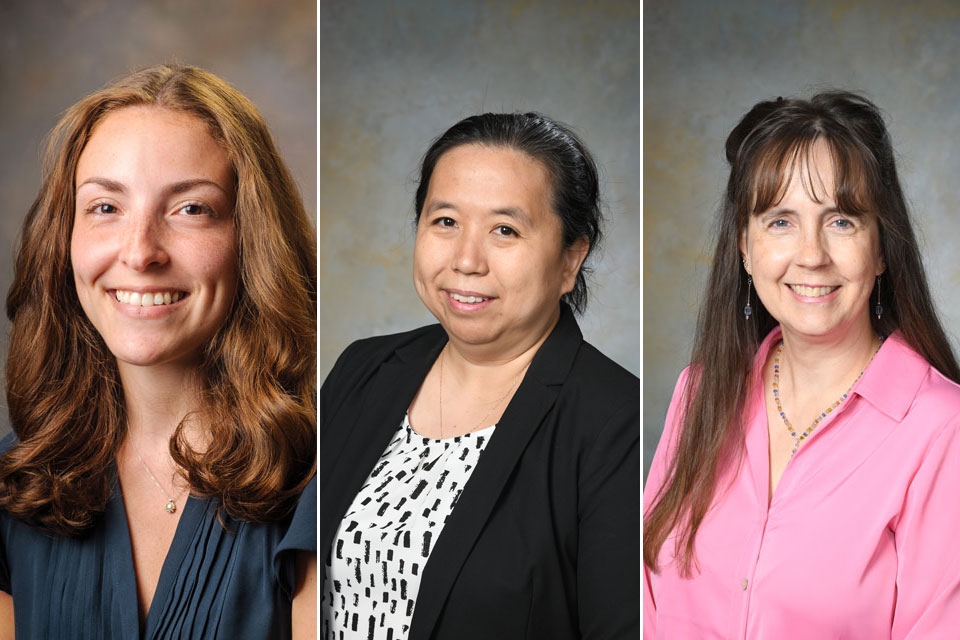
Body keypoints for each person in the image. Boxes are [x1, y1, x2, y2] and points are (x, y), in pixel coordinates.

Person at [0, 64, 317, 639]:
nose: (141, 252)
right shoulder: (15, 480)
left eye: (191, 208)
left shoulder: (327, 469)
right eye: (105, 207)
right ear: (63, 238)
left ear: (253, 240)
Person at [643, 91, 960, 638]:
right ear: (744, 245)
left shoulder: (941, 428)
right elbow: (646, 602)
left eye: (841, 221)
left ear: (882, 249)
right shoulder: (699, 391)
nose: (811, 255)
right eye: (780, 221)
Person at [320, 113, 639, 639]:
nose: (467, 260)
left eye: (505, 230)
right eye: (445, 221)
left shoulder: (613, 420)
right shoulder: (363, 370)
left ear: (570, 259)